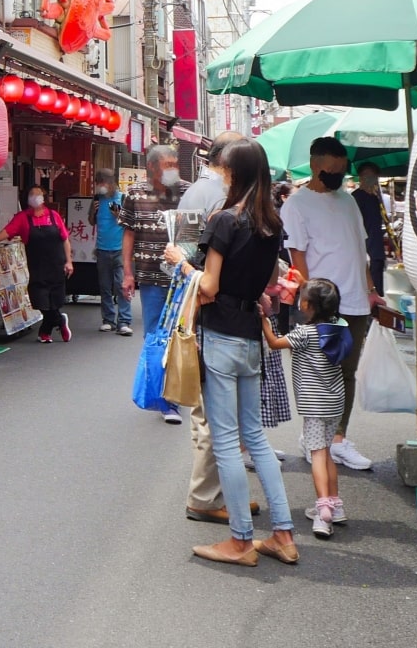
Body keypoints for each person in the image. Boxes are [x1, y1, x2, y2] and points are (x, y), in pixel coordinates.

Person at [161, 139, 298, 567]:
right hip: (251, 337)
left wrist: (181, 263)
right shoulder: (272, 224)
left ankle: (240, 540)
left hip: (221, 334)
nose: (219, 173)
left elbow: (209, 286)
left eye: (222, 168)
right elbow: (264, 286)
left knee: (225, 441)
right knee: (254, 438)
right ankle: (283, 535)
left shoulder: (225, 220)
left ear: (232, 173)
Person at [281, 138, 392, 471]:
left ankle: (338, 439)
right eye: (333, 170)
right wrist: (311, 303)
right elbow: (297, 260)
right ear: (316, 165)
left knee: (347, 372)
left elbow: (360, 249)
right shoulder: (296, 205)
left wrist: (371, 290)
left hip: (357, 299)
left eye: (343, 170)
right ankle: (315, 439)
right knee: (321, 374)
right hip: (324, 304)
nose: (339, 175)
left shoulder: (349, 201)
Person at [176, 133, 240, 524]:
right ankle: (204, 497)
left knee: (210, 411)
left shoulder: (195, 194)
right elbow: (185, 257)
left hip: (201, 304)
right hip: (210, 308)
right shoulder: (217, 198)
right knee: (210, 411)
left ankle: (212, 493)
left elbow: (180, 253)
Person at [264, 279, 351, 538]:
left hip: (314, 406)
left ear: (307, 305)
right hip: (335, 402)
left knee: (317, 456)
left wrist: (264, 320)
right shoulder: (337, 329)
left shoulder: (305, 333)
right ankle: (336, 505)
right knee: (327, 453)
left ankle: (323, 511)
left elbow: (274, 343)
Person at [120, 143, 188, 423]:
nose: (173, 169)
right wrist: (127, 273)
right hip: (149, 278)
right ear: (151, 167)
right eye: (167, 164)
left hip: (183, 278)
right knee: (155, 337)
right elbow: (128, 234)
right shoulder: (135, 193)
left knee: (179, 335)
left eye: (175, 164)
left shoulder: (187, 191)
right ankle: (163, 398)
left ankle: (175, 394)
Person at [0, 185, 72, 342]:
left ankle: (45, 333)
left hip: (56, 264)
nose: (34, 197)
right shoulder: (23, 217)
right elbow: (8, 231)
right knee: (40, 300)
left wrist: (69, 261)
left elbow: (65, 238)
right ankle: (60, 320)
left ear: (44, 198)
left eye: (37, 194)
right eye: (31, 194)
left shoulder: (53, 216)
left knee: (54, 299)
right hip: (37, 266)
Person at [89, 168, 131, 333]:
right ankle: (108, 319)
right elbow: (91, 221)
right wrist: (93, 210)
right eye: (98, 183)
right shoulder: (97, 199)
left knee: (122, 285)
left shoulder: (123, 198)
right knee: (104, 286)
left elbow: (129, 223)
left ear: (111, 182)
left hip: (120, 249)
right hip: (102, 249)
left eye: (103, 182)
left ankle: (124, 321)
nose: (100, 186)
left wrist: (118, 215)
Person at [353, 164, 389, 316]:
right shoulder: (355, 198)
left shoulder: (375, 198)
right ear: (360, 177)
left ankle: (377, 320)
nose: (371, 179)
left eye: (374, 176)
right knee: (367, 288)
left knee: (378, 288)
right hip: (365, 251)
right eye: (368, 176)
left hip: (377, 251)